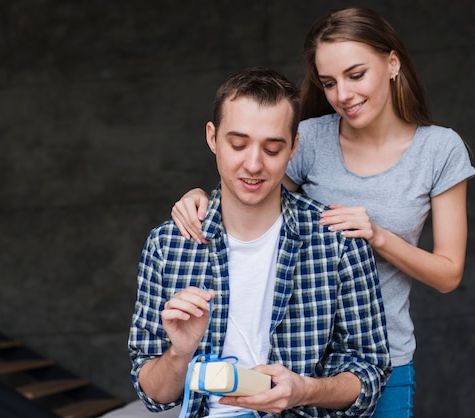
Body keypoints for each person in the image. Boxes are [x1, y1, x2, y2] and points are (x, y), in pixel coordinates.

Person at [170, 8, 475, 418]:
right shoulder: (309, 139)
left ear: (392, 62)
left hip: (384, 358)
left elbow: (448, 273)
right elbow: (253, 196)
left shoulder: (440, 150)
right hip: (302, 358)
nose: (342, 95)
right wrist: (200, 194)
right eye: (329, 82)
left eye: (355, 75)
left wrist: (377, 235)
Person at [126, 67, 390, 418]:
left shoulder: (337, 240)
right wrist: (180, 353)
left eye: (272, 148)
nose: (253, 164)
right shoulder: (168, 245)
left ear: (294, 147)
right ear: (212, 137)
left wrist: (304, 390)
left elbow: (369, 372)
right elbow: (154, 395)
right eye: (238, 144)